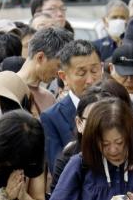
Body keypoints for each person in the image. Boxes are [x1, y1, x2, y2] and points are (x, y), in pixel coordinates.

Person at [41, 40, 102, 171]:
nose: (90, 80)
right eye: (81, 73)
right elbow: (58, 168)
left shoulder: (118, 105)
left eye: (94, 70)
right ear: (64, 77)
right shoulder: (52, 117)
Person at [17, 26, 73, 116]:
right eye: (59, 66)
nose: (60, 73)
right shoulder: (4, 88)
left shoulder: (49, 99)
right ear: (40, 57)